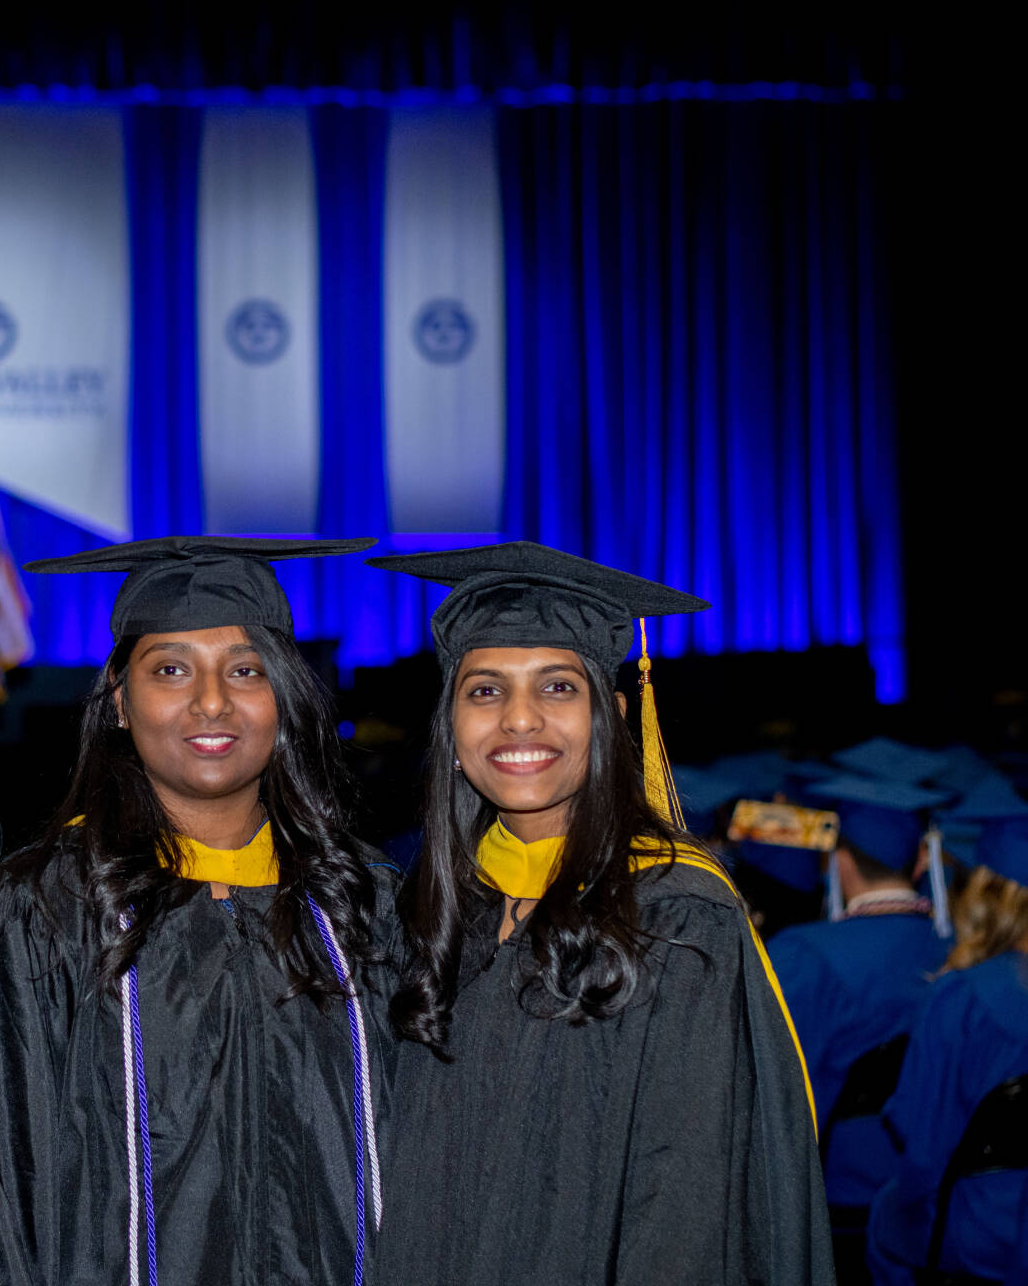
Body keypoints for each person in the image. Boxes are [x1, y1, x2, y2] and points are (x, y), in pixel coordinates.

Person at [0, 536, 397, 1285]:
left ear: (287, 705)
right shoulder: (39, 917)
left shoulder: (366, 910)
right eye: (171, 670)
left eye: (246, 670)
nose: (211, 701)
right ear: (121, 705)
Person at [369, 541, 833, 1286]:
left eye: (557, 688)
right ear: (451, 729)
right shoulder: (421, 915)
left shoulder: (678, 918)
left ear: (611, 717)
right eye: (485, 691)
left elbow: (684, 1204)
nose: (519, 722)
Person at [765, 776, 954, 1278]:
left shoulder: (801, 955)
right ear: (921, 861)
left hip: (834, 1197)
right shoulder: (961, 957)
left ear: (838, 860)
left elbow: (777, 1098)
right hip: (929, 1200)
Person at [867, 798, 1028, 1285]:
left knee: (885, 1221)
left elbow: (923, 1146)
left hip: (978, 1231)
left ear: (986, 892)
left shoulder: (966, 997)